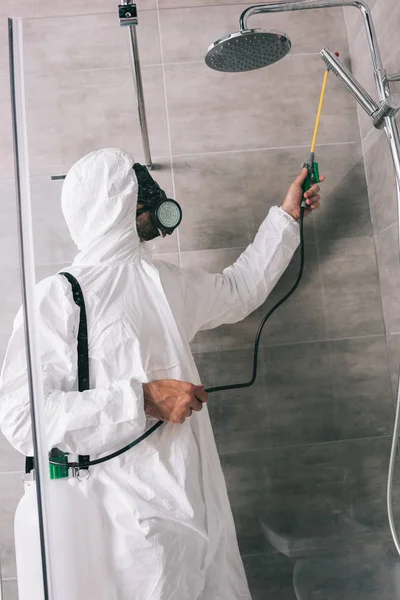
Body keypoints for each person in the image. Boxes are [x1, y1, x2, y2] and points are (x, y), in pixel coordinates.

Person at [0, 148, 323, 599]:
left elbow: (239, 289)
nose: (151, 200)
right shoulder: (58, 297)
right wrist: (141, 399)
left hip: (196, 509)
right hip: (127, 523)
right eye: (137, 191)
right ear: (112, 206)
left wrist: (286, 218)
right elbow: (23, 417)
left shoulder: (162, 281)